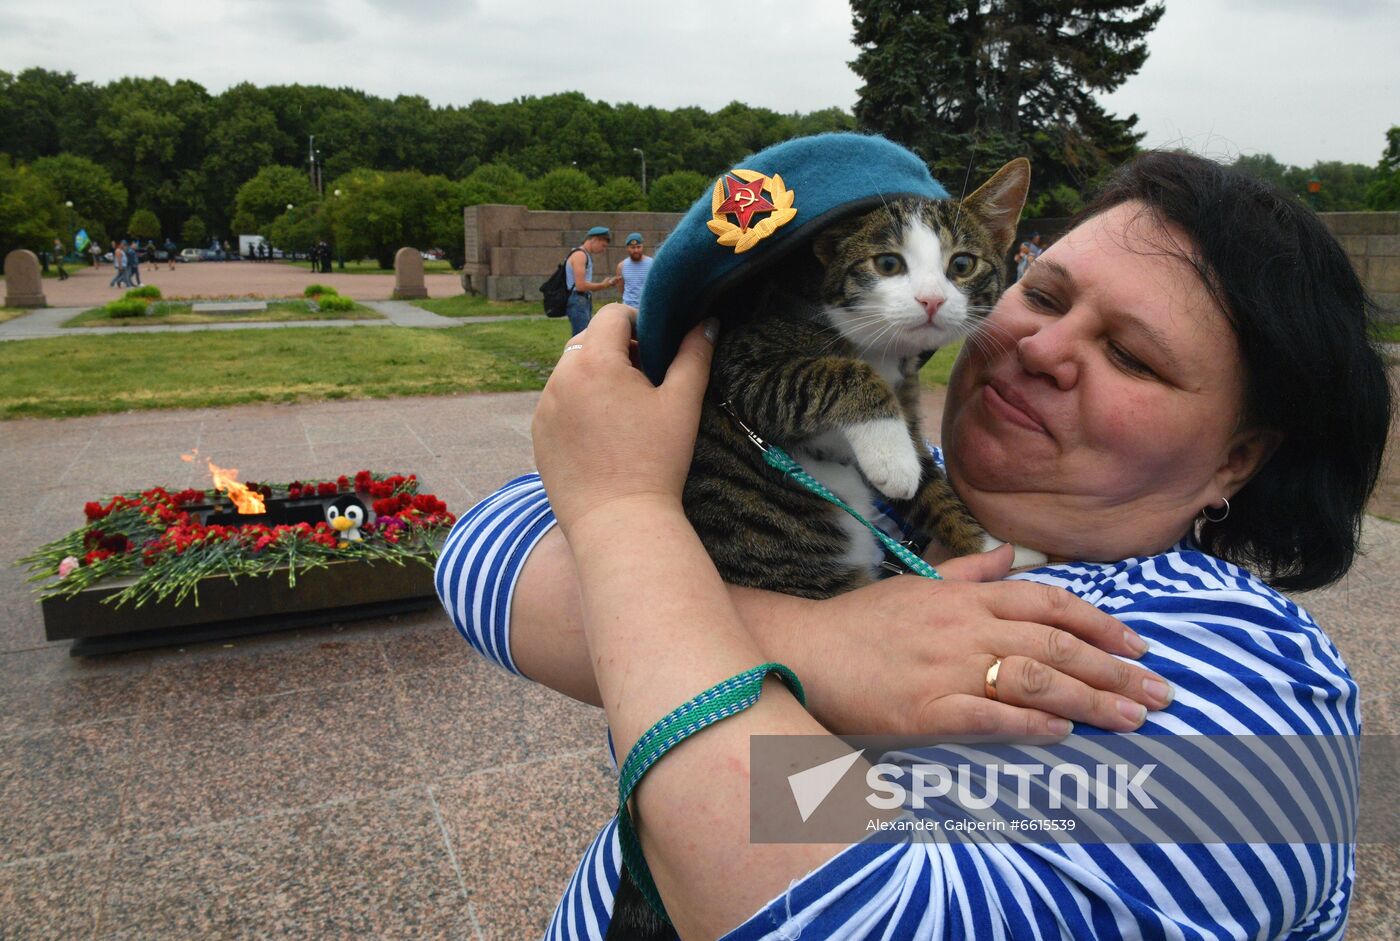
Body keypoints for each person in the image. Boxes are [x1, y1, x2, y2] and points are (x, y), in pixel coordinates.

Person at [437, 148, 1392, 938]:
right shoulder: (910, 477)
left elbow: (849, 909)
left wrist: (627, 522)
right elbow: (482, 551)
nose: (1044, 349)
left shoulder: (1258, 695)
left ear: (1235, 458)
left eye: (1132, 355)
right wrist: (814, 646)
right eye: (1046, 294)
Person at [564, 225, 620, 336]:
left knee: (583, 335)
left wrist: (607, 283)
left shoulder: (583, 254)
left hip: (581, 299)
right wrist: (603, 285)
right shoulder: (580, 255)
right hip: (578, 299)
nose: (603, 249)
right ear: (594, 239)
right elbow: (580, 286)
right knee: (582, 337)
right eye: (603, 245)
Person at [615, 231, 654, 309]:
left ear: (642, 247)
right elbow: (621, 288)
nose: (636, 250)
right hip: (628, 307)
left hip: (647, 307)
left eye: (638, 247)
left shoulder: (652, 263)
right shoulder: (621, 266)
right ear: (627, 248)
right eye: (632, 247)